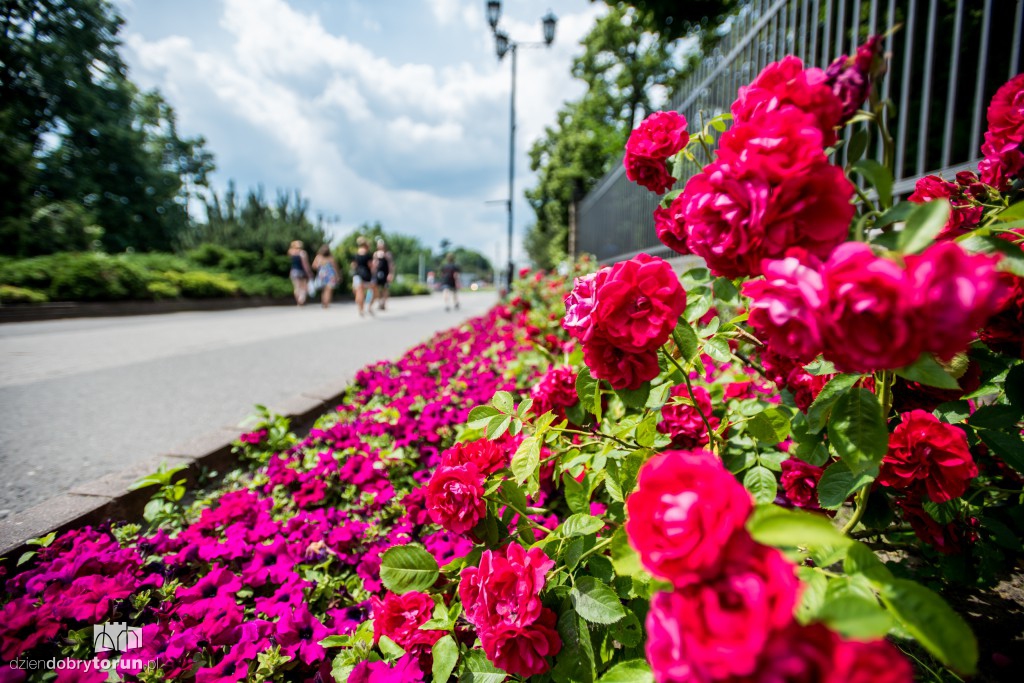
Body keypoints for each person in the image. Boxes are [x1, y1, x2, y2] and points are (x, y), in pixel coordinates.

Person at [350, 236, 376, 317]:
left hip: (357, 275)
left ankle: (360, 309)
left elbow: (353, 265)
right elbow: (371, 266)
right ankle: (368, 306)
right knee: (373, 290)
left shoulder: (355, 254)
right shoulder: (368, 255)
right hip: (366, 275)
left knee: (358, 292)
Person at [287, 240, 313, 306]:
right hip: (301, 271)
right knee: (304, 287)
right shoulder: (302, 253)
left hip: (293, 271)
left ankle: (298, 301)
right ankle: (301, 300)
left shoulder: (291, 252)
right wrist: (309, 273)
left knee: (296, 287)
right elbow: (305, 264)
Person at [312, 244, 338, 309]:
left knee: (324, 290)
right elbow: (335, 267)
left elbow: (313, 266)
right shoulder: (331, 257)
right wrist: (337, 275)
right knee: (328, 290)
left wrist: (319, 265)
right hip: (330, 275)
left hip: (322, 275)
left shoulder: (318, 257)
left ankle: (324, 302)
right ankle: (326, 303)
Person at [372, 238, 395, 311]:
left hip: (385, 273)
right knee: (377, 289)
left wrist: (390, 274)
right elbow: (373, 264)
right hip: (378, 273)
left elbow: (390, 265)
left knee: (385, 289)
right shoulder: (375, 254)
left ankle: (384, 303)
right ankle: (379, 302)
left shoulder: (387, 254)